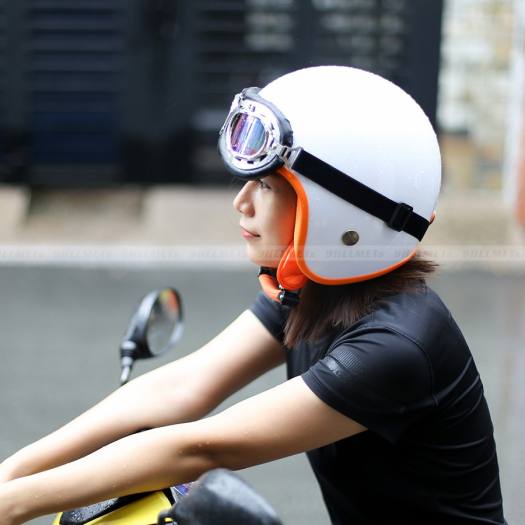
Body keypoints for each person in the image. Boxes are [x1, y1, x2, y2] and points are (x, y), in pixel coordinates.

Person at [0, 66, 505, 525]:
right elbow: (179, 389)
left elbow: (202, 447)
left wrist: (15, 505)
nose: (240, 203)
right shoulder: (314, 291)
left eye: (265, 185)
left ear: (340, 214)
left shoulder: (397, 347)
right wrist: (13, 474)